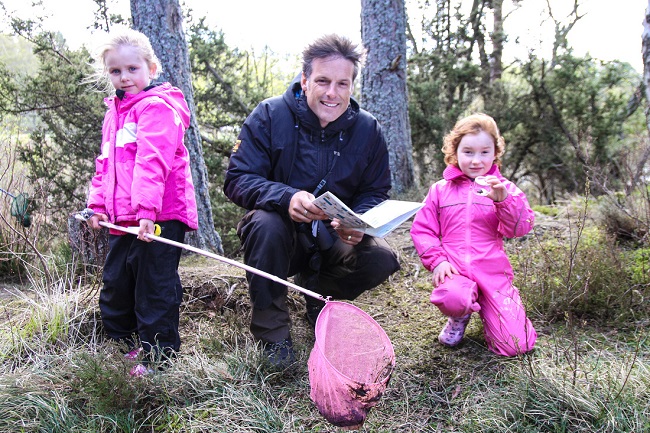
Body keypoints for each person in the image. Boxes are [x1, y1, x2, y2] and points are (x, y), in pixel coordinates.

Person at [223, 34, 400, 367]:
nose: (332, 93)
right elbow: (237, 180)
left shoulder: (368, 130)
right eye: (322, 81)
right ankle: (273, 336)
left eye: (342, 84)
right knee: (264, 224)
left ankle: (321, 301)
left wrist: (357, 222)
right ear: (305, 80)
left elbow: (376, 191)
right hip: (281, 239)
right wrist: (286, 196)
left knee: (382, 257)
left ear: (351, 87)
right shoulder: (269, 116)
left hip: (333, 238)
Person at [84, 27, 198, 376]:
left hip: (159, 213)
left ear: (152, 67)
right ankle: (126, 347)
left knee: (154, 285)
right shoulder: (114, 114)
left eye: (133, 69)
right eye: (116, 71)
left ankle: (160, 357)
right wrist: (98, 205)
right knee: (117, 282)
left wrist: (146, 211)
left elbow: (153, 161)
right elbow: (105, 164)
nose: (124, 77)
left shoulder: (158, 108)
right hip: (123, 219)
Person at [410, 113, 537, 357]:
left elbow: (520, 228)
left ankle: (497, 316)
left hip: (492, 272)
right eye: (468, 152)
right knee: (453, 296)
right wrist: (438, 260)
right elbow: (423, 229)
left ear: (495, 152)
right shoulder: (440, 189)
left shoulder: (504, 189)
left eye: (484, 152)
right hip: (454, 271)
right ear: (455, 151)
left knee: (516, 345)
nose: (476, 160)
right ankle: (459, 316)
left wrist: (504, 202)